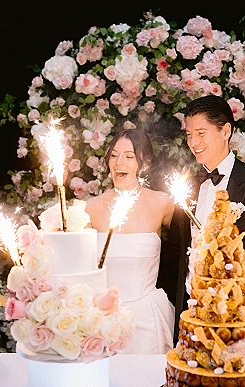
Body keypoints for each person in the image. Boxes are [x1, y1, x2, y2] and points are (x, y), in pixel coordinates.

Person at [158, 95, 245, 349]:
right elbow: (175, 252)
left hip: (244, 315)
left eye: (201, 133)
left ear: (225, 130)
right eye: (189, 134)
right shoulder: (188, 187)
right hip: (193, 314)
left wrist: (230, 249)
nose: (193, 142)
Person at [86, 129, 175, 354]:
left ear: (144, 163)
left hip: (146, 320)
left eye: (128, 156)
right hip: (101, 320)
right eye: (114, 155)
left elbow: (190, 248)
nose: (118, 162)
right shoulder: (91, 208)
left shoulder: (162, 204)